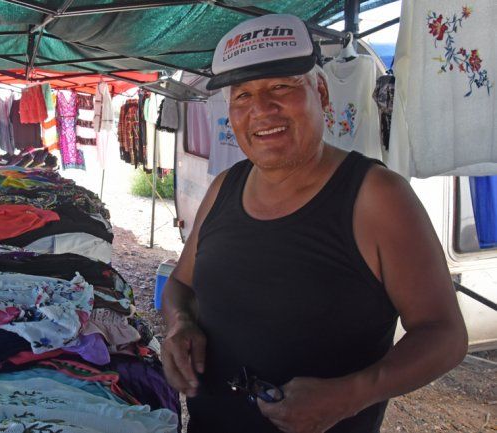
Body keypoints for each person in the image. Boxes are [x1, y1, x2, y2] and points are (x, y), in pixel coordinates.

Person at [160, 14, 468, 433]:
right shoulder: (224, 188)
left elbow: (444, 335)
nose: (261, 110)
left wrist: (351, 395)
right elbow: (181, 284)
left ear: (320, 92)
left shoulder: (377, 197)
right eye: (243, 96)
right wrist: (180, 325)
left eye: (281, 87)